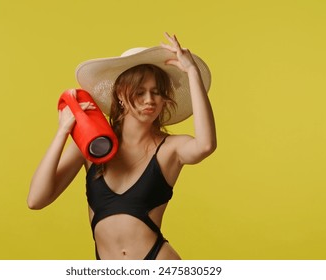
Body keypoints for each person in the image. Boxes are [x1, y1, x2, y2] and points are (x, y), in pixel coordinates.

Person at [27, 33, 216, 260]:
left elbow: (205, 145)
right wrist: (63, 132)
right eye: (139, 92)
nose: (149, 100)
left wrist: (192, 73)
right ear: (120, 96)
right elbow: (36, 200)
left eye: (156, 92)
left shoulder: (170, 149)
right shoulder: (93, 146)